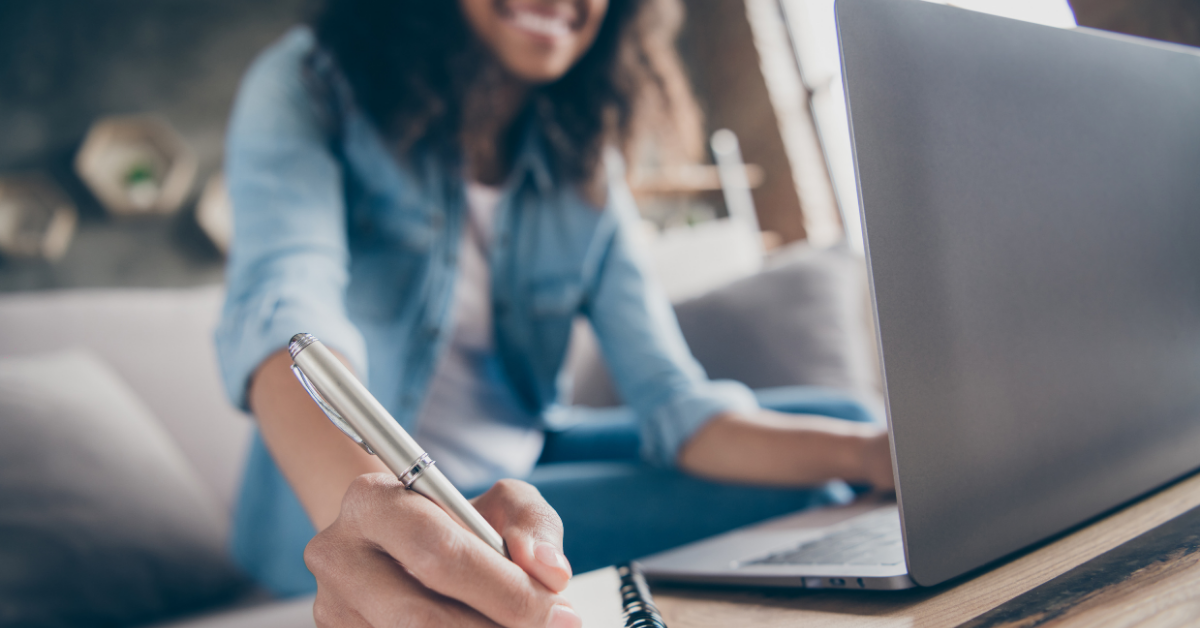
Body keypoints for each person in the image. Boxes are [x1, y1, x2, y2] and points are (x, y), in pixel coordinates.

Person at [216, 0, 894, 625]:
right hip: (350, 500)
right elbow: (285, 301)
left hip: (529, 454)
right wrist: (372, 525)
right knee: (802, 489)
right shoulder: (313, 82)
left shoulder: (583, 158)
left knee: (848, 423)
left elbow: (675, 402)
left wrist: (872, 454)